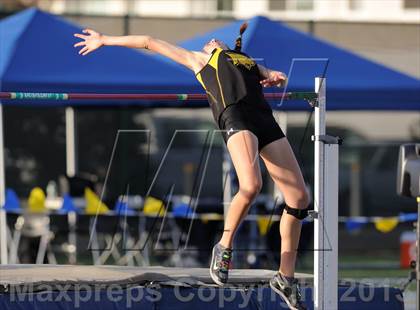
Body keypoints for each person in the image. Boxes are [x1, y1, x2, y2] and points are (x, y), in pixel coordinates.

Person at [74, 23, 309, 310]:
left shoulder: (247, 60)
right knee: (251, 185)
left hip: (264, 119)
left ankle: (285, 277)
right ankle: (224, 247)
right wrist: (104, 40)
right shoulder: (199, 60)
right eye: (209, 41)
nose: (212, 40)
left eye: (216, 40)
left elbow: (268, 75)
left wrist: (274, 76)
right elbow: (150, 40)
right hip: (236, 117)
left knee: (299, 199)